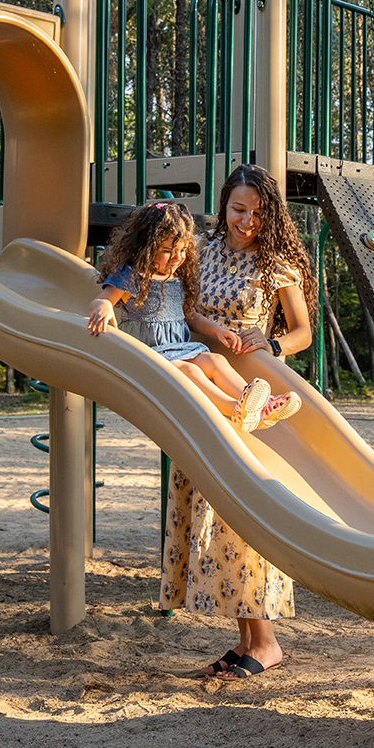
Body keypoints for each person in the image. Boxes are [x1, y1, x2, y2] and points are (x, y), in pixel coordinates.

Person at [162, 164, 314, 680]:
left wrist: (270, 342)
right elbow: (178, 308)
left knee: (244, 521)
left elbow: (302, 332)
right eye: (237, 209)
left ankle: (266, 642)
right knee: (213, 518)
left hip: (253, 402)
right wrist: (207, 324)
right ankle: (244, 639)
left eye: (256, 211)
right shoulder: (200, 252)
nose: (246, 220)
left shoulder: (277, 265)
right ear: (224, 206)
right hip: (203, 396)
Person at [86, 199, 301, 431]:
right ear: (146, 247)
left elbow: (189, 316)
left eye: (182, 250)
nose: (177, 258)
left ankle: (260, 406)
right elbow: (101, 301)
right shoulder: (131, 276)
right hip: (147, 357)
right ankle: (234, 409)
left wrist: (218, 330)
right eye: (167, 251)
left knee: (216, 360)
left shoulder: (177, 278)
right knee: (191, 371)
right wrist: (104, 307)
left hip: (177, 350)